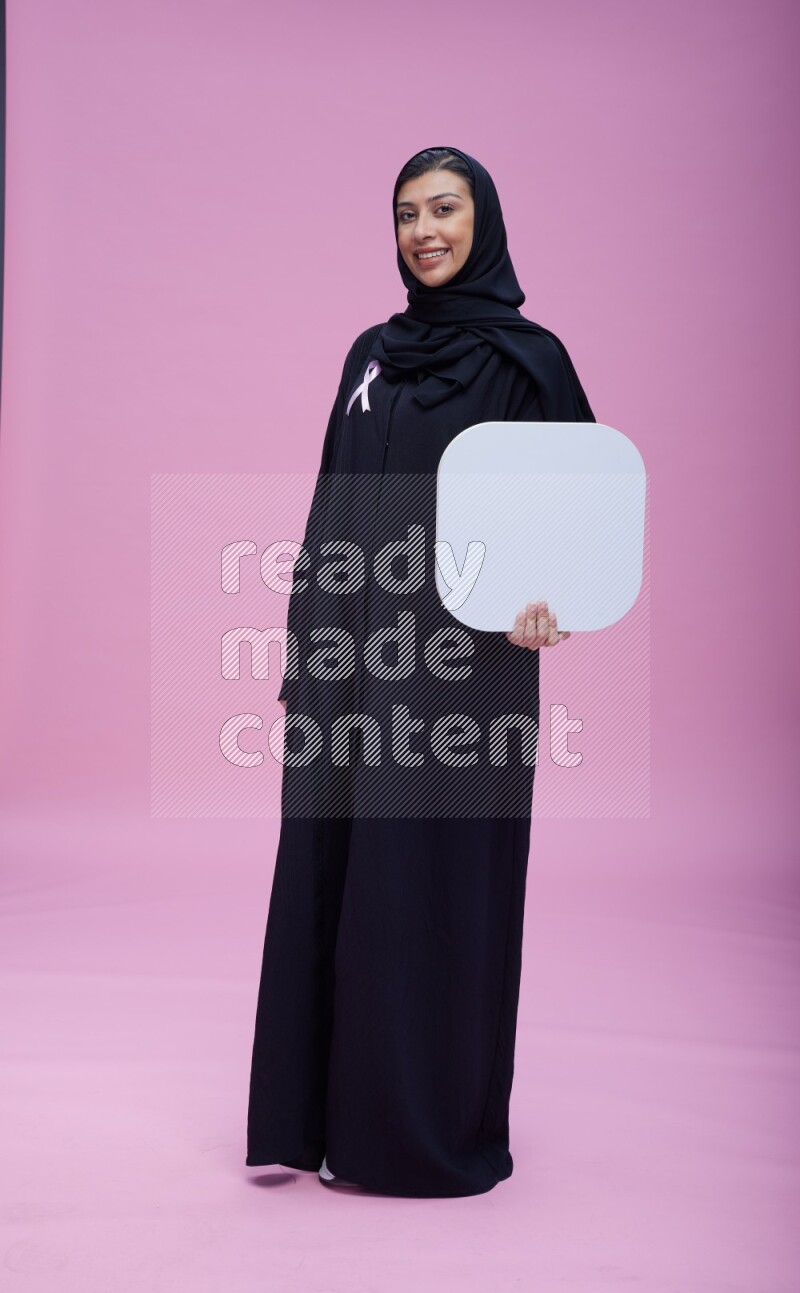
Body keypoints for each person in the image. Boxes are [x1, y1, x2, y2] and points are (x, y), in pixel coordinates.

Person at [246, 146, 594, 1197]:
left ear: (481, 220)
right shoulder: (368, 354)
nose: (422, 232)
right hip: (350, 665)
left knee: (426, 889)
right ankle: (318, 1125)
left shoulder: (526, 361)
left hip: (461, 678)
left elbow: (577, 514)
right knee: (333, 879)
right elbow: (328, 496)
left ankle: (421, 1135)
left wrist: (551, 601)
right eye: (405, 214)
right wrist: (307, 641)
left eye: (442, 210)